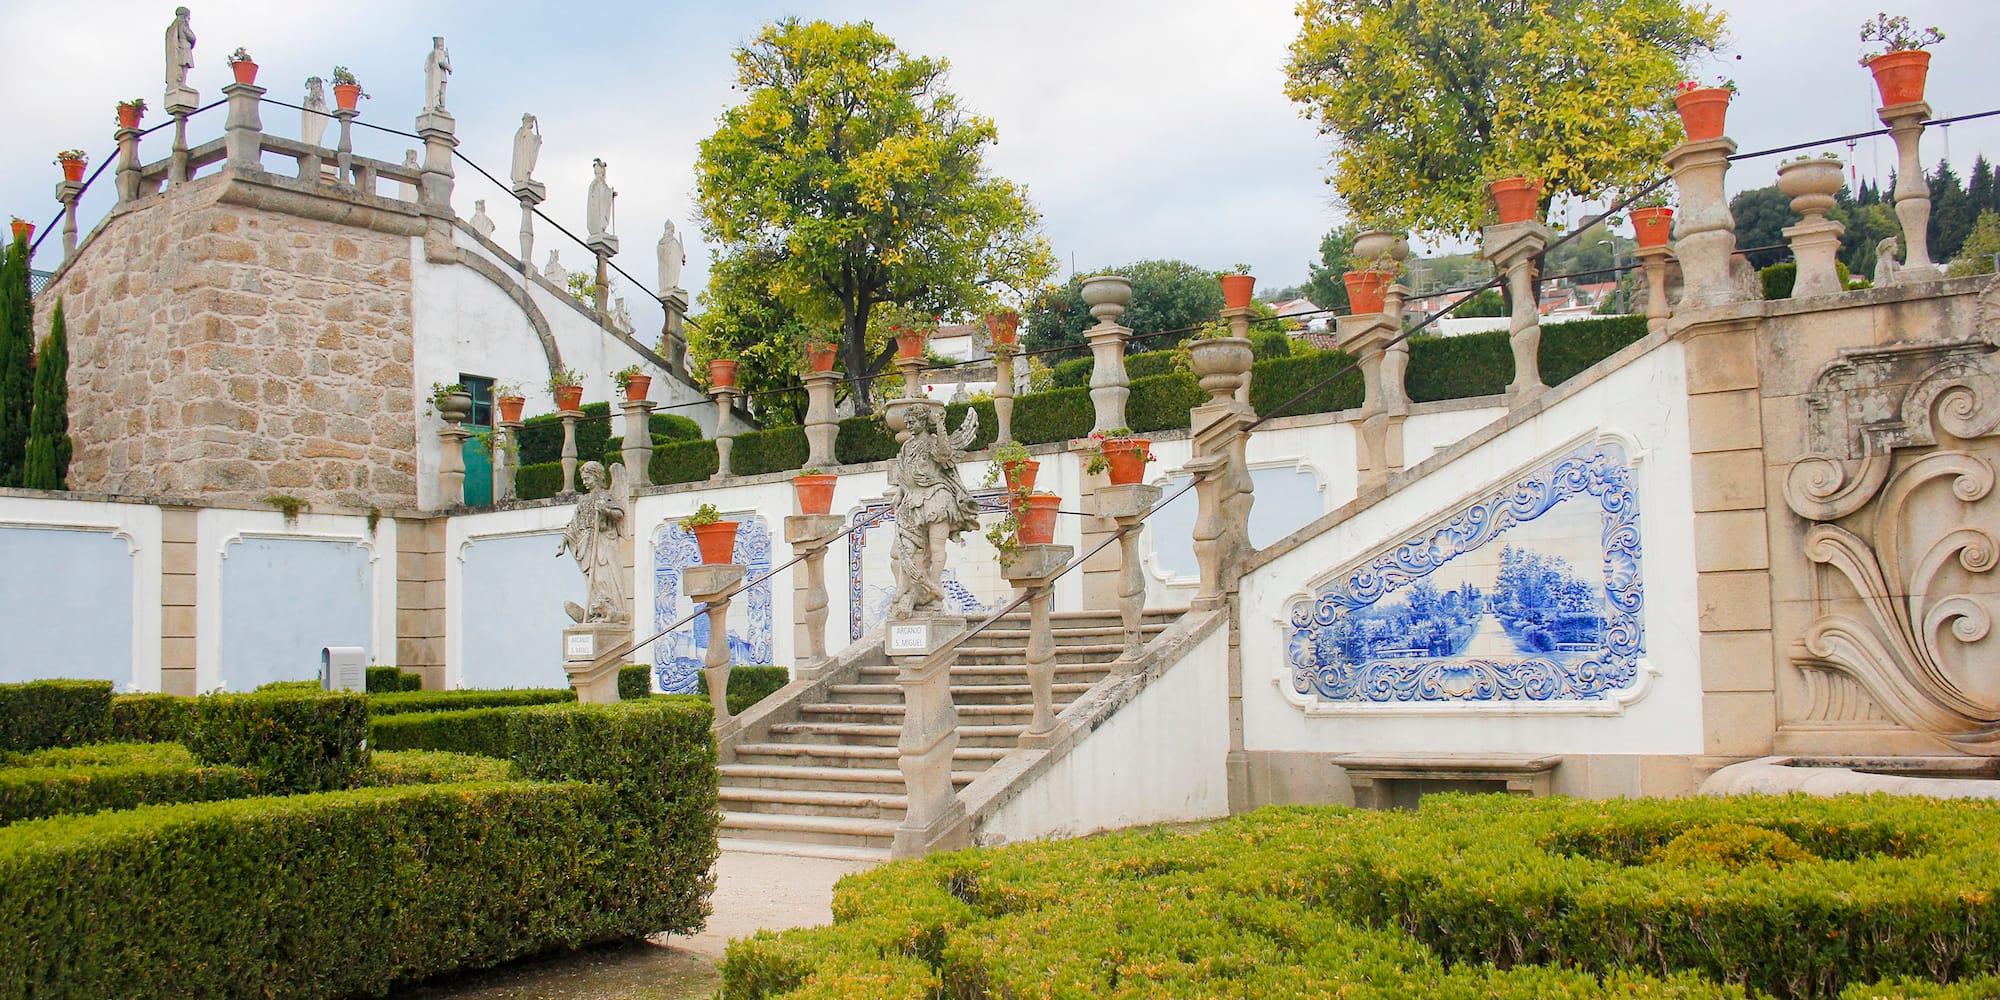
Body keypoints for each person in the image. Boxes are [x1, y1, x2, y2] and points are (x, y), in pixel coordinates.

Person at [888, 406, 980, 616]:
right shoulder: (907, 446)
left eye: (912, 421)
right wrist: (900, 493)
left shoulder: (932, 442)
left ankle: (933, 586)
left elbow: (944, 454)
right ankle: (906, 588)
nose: (909, 425)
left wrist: (940, 425)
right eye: (907, 422)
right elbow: (904, 473)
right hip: (912, 501)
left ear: (923, 421)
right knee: (901, 550)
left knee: (936, 548)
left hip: (936, 499)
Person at [558, 462, 629, 623]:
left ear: (597, 477)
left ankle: (610, 609)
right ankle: (596, 611)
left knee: (603, 578)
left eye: (587, 478)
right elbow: (574, 523)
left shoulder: (604, 496)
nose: (584, 482)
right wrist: (564, 541)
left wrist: (605, 510)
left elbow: (619, 514)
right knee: (592, 580)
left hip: (602, 543)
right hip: (586, 544)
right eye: (583, 479)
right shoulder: (583, 500)